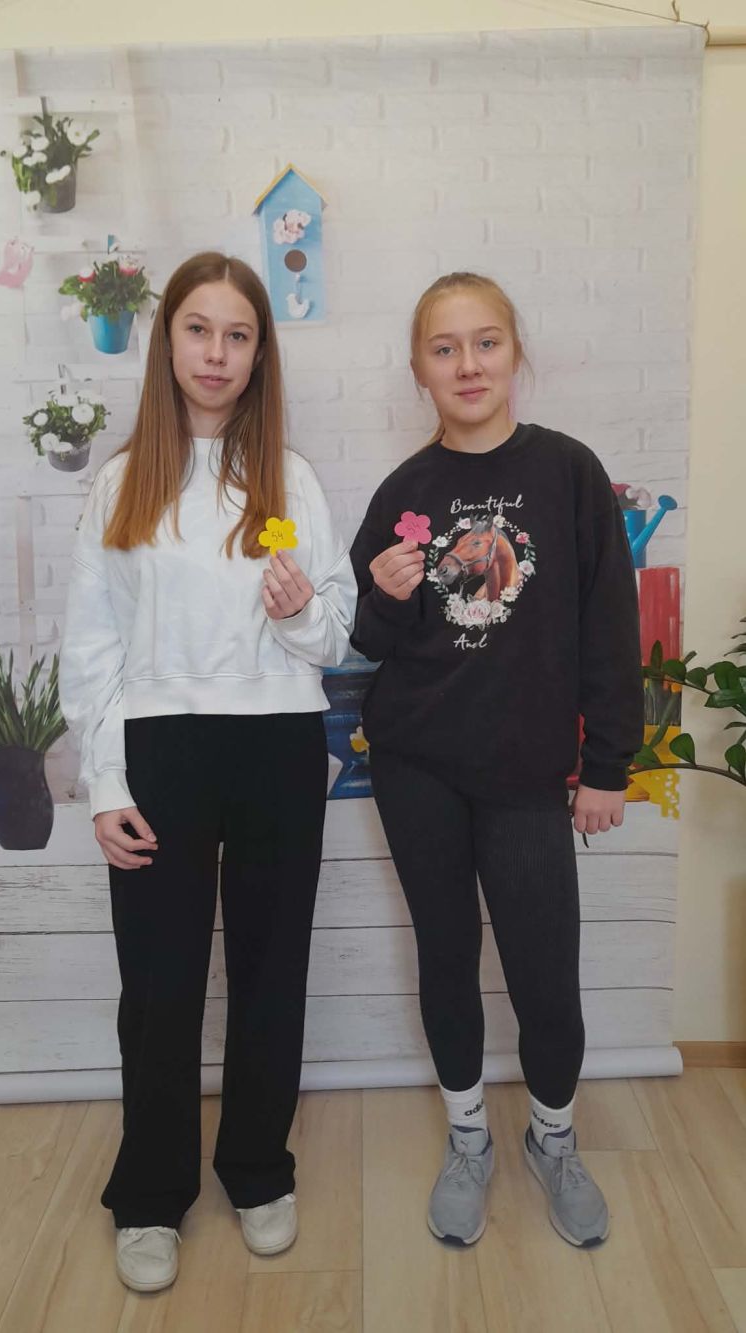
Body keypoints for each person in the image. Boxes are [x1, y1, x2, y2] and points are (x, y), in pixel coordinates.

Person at [59, 252, 356, 1291]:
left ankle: (259, 1168)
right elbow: (91, 647)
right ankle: (150, 1193)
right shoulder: (120, 482)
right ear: (168, 340)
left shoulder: (293, 478)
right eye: (199, 329)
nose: (217, 353)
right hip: (162, 750)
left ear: (260, 353)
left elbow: (334, 632)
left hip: (278, 744)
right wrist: (106, 783)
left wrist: (300, 614)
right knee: (161, 982)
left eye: (238, 334)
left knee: (272, 970)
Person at [349, 271, 643, 1249]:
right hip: (417, 763)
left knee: (544, 972)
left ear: (516, 353)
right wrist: (387, 596)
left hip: (528, 772)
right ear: (418, 369)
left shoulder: (568, 473)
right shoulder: (403, 493)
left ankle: (552, 1138)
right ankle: (469, 1137)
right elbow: (371, 641)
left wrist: (609, 763)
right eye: (445, 348)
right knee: (445, 954)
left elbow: (610, 623)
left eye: (486, 342)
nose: (467, 364)